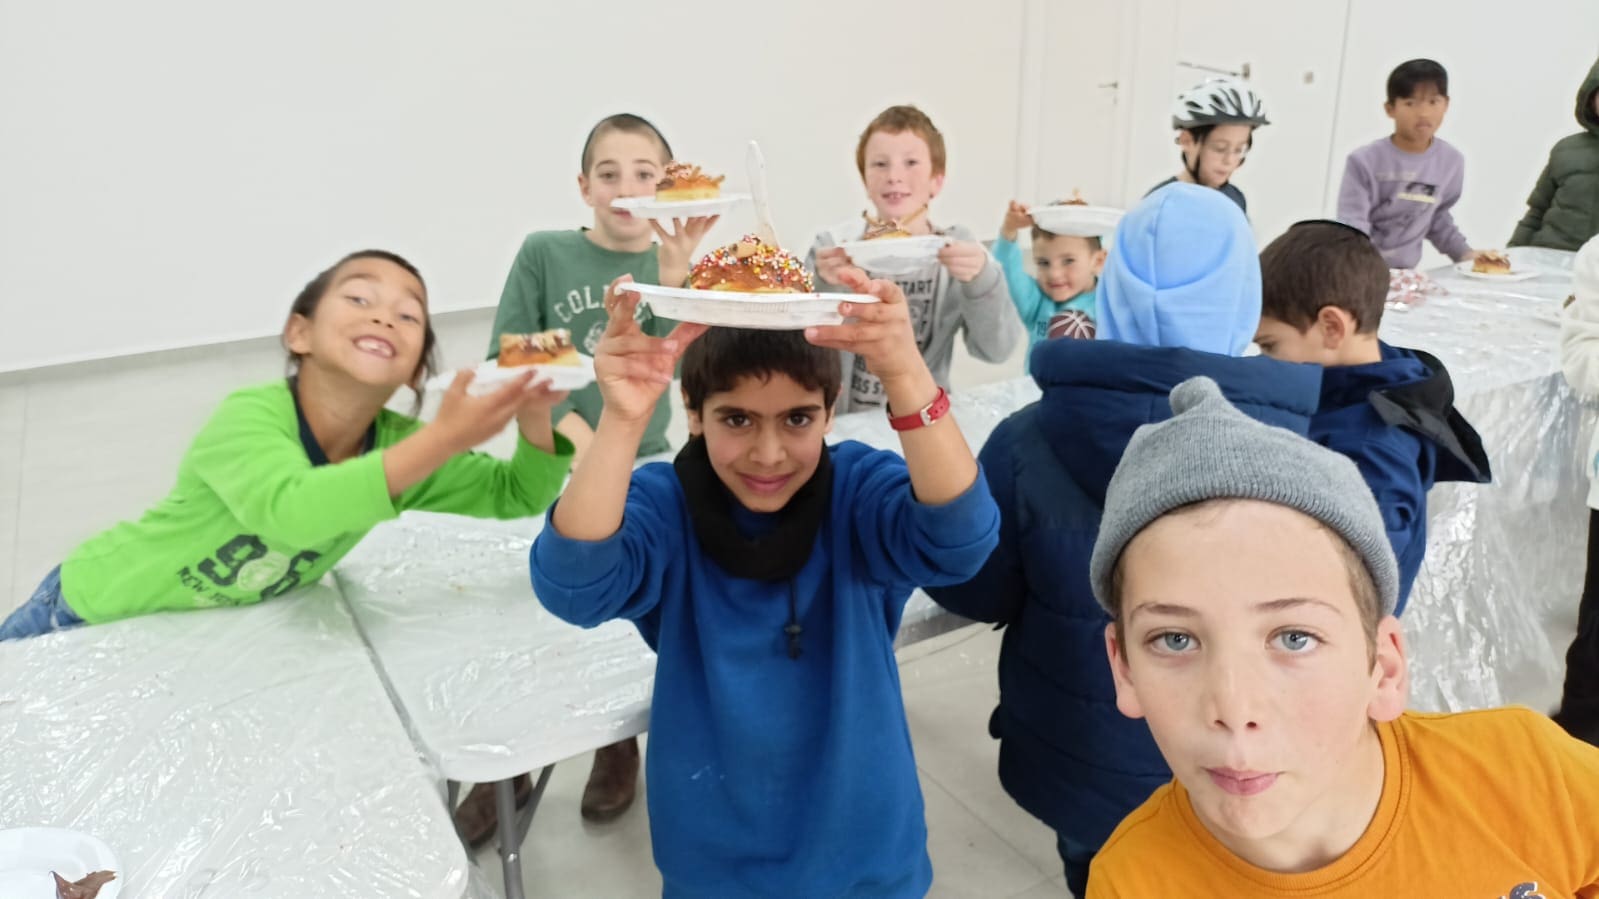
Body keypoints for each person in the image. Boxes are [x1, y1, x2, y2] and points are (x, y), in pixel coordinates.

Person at [529, 270, 999, 896]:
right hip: (714, 858)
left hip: (864, 850)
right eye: (738, 420)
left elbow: (962, 541)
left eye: (798, 418)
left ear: (830, 411)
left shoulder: (857, 490)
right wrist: (621, 420)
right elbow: (574, 587)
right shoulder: (664, 505)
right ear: (694, 413)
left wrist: (908, 377)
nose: (769, 453)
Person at [926, 183, 1322, 896]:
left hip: (1084, 757)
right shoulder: (1304, 450)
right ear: (1244, 295)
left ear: (1112, 287)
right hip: (1244, 756)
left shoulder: (1026, 439)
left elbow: (974, 589)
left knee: (1099, 870)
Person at [1085, 376, 1599, 897]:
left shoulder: (1527, 772)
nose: (1235, 709)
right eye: (1174, 640)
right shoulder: (1131, 883)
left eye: (1294, 637)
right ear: (1124, 668)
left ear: (1385, 667)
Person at [2, 249, 572, 643]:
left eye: (408, 315)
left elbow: (516, 494)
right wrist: (444, 438)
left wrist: (535, 415)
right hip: (87, 612)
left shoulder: (402, 448)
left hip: (179, 640)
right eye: (359, 298)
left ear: (416, 371)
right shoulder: (249, 417)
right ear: (299, 333)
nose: (383, 316)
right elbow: (291, 512)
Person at [1254, 219, 1490, 613]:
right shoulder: (1363, 385)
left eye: (1270, 345)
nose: (1265, 361)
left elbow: (1357, 587)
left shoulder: (1372, 450)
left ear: (1332, 327)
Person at [807, 104, 1019, 413]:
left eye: (911, 163)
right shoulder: (833, 247)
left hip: (927, 420)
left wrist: (982, 280)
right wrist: (825, 285)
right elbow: (803, 346)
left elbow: (997, 350)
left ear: (937, 181)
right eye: (880, 164)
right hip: (844, 421)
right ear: (865, 180)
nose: (894, 176)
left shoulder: (958, 249)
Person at [1336, 59, 1477, 269]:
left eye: (1433, 102)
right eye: (1410, 103)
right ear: (1390, 109)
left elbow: (1436, 218)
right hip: (1361, 269)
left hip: (1407, 273)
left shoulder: (1451, 162)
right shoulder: (1364, 160)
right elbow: (1353, 224)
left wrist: (1466, 255)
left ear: (1446, 104)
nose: (1423, 113)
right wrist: (1362, 271)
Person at [995, 199, 1104, 369]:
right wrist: (1009, 229)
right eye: (1043, 263)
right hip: (1039, 386)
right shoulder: (1037, 301)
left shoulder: (1109, 304)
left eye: (1068, 261)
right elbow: (1005, 271)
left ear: (1098, 261)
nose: (1054, 274)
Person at [1509, 58, 1599, 251]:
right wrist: (1512, 254)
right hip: (1549, 256)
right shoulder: (1566, 149)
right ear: (1591, 98)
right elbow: (1536, 213)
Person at [1146, 76, 1269, 214]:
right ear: (1186, 140)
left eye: (1239, 150)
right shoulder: (1159, 203)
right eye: (1220, 148)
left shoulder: (1235, 199)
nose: (1229, 160)